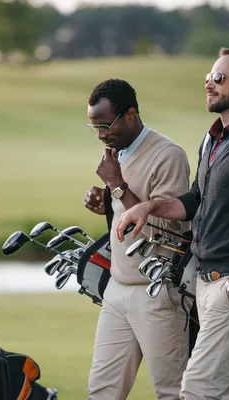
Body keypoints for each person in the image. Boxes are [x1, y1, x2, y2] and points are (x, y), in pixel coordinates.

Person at [115, 48, 229, 399]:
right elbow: (195, 200)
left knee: (196, 389)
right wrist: (146, 207)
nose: (209, 85)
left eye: (218, 78)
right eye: (208, 78)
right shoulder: (212, 139)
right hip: (205, 282)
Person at [83, 79, 192, 400]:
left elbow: (165, 233)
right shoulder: (119, 152)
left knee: (171, 392)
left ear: (130, 114)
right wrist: (107, 200)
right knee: (101, 391)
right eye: (95, 127)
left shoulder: (168, 155)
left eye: (105, 125)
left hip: (157, 293)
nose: (101, 135)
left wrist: (116, 186)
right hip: (117, 290)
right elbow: (128, 210)